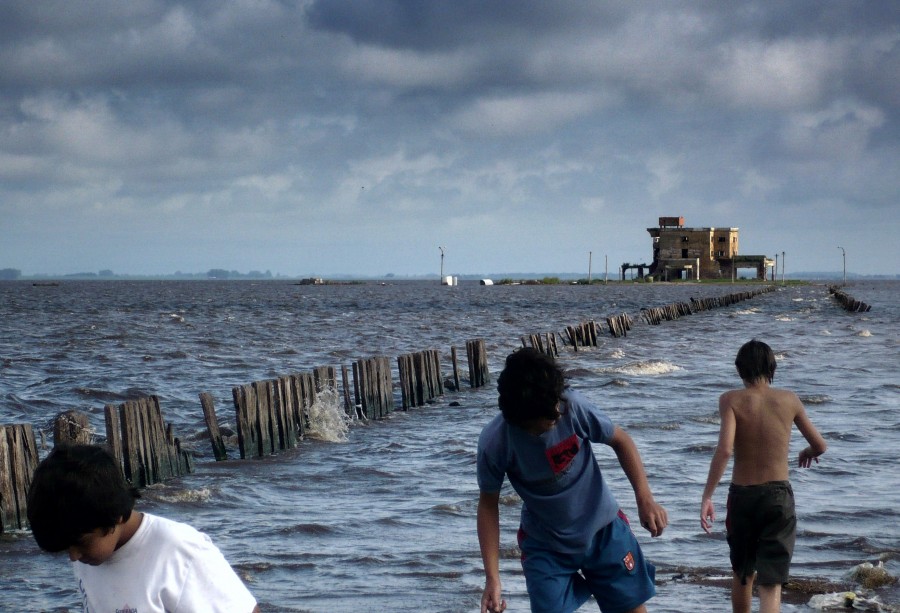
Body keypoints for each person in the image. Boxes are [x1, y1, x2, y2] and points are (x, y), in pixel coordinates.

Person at [477, 347, 668, 613]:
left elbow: (621, 440)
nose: (557, 415)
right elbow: (488, 505)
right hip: (545, 545)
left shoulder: (572, 406)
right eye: (549, 417)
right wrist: (492, 578)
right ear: (520, 419)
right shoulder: (495, 442)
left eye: (557, 406)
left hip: (603, 530)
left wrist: (645, 498)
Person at [27, 443, 260, 613]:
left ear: (115, 517)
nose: (73, 556)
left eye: (80, 544)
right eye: (66, 547)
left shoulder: (178, 551)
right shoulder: (88, 551)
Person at [701, 339, 827, 613]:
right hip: (778, 496)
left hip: (742, 495)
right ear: (772, 368)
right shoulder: (789, 399)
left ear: (739, 370)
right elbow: (820, 445)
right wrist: (806, 452)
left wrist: (707, 495)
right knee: (771, 582)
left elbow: (724, 450)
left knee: (743, 573)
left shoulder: (730, 400)